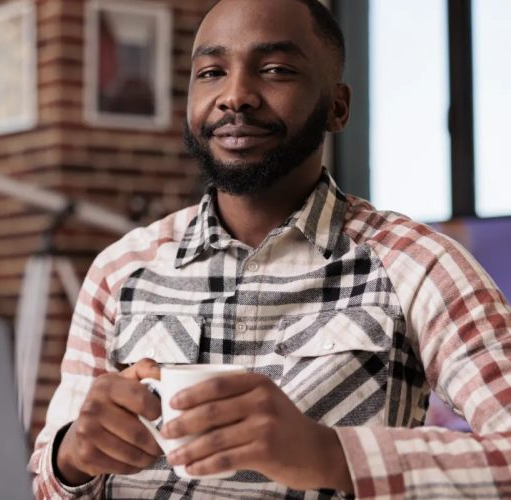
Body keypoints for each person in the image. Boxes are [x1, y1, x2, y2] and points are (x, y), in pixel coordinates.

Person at [29, 0, 511, 498]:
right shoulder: (120, 269)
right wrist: (72, 457)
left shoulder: (421, 266)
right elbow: (45, 480)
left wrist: (329, 454)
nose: (235, 96)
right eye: (211, 72)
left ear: (337, 107)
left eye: (276, 70)